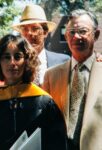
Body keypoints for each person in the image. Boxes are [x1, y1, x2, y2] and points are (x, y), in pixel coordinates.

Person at [42, 9, 101, 150]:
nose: (76, 37)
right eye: (71, 32)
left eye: (83, 31)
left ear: (96, 35)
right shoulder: (51, 76)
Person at [13, 4, 70, 86]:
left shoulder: (63, 62)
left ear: (45, 32)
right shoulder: (13, 64)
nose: (29, 33)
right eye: (25, 29)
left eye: (35, 28)